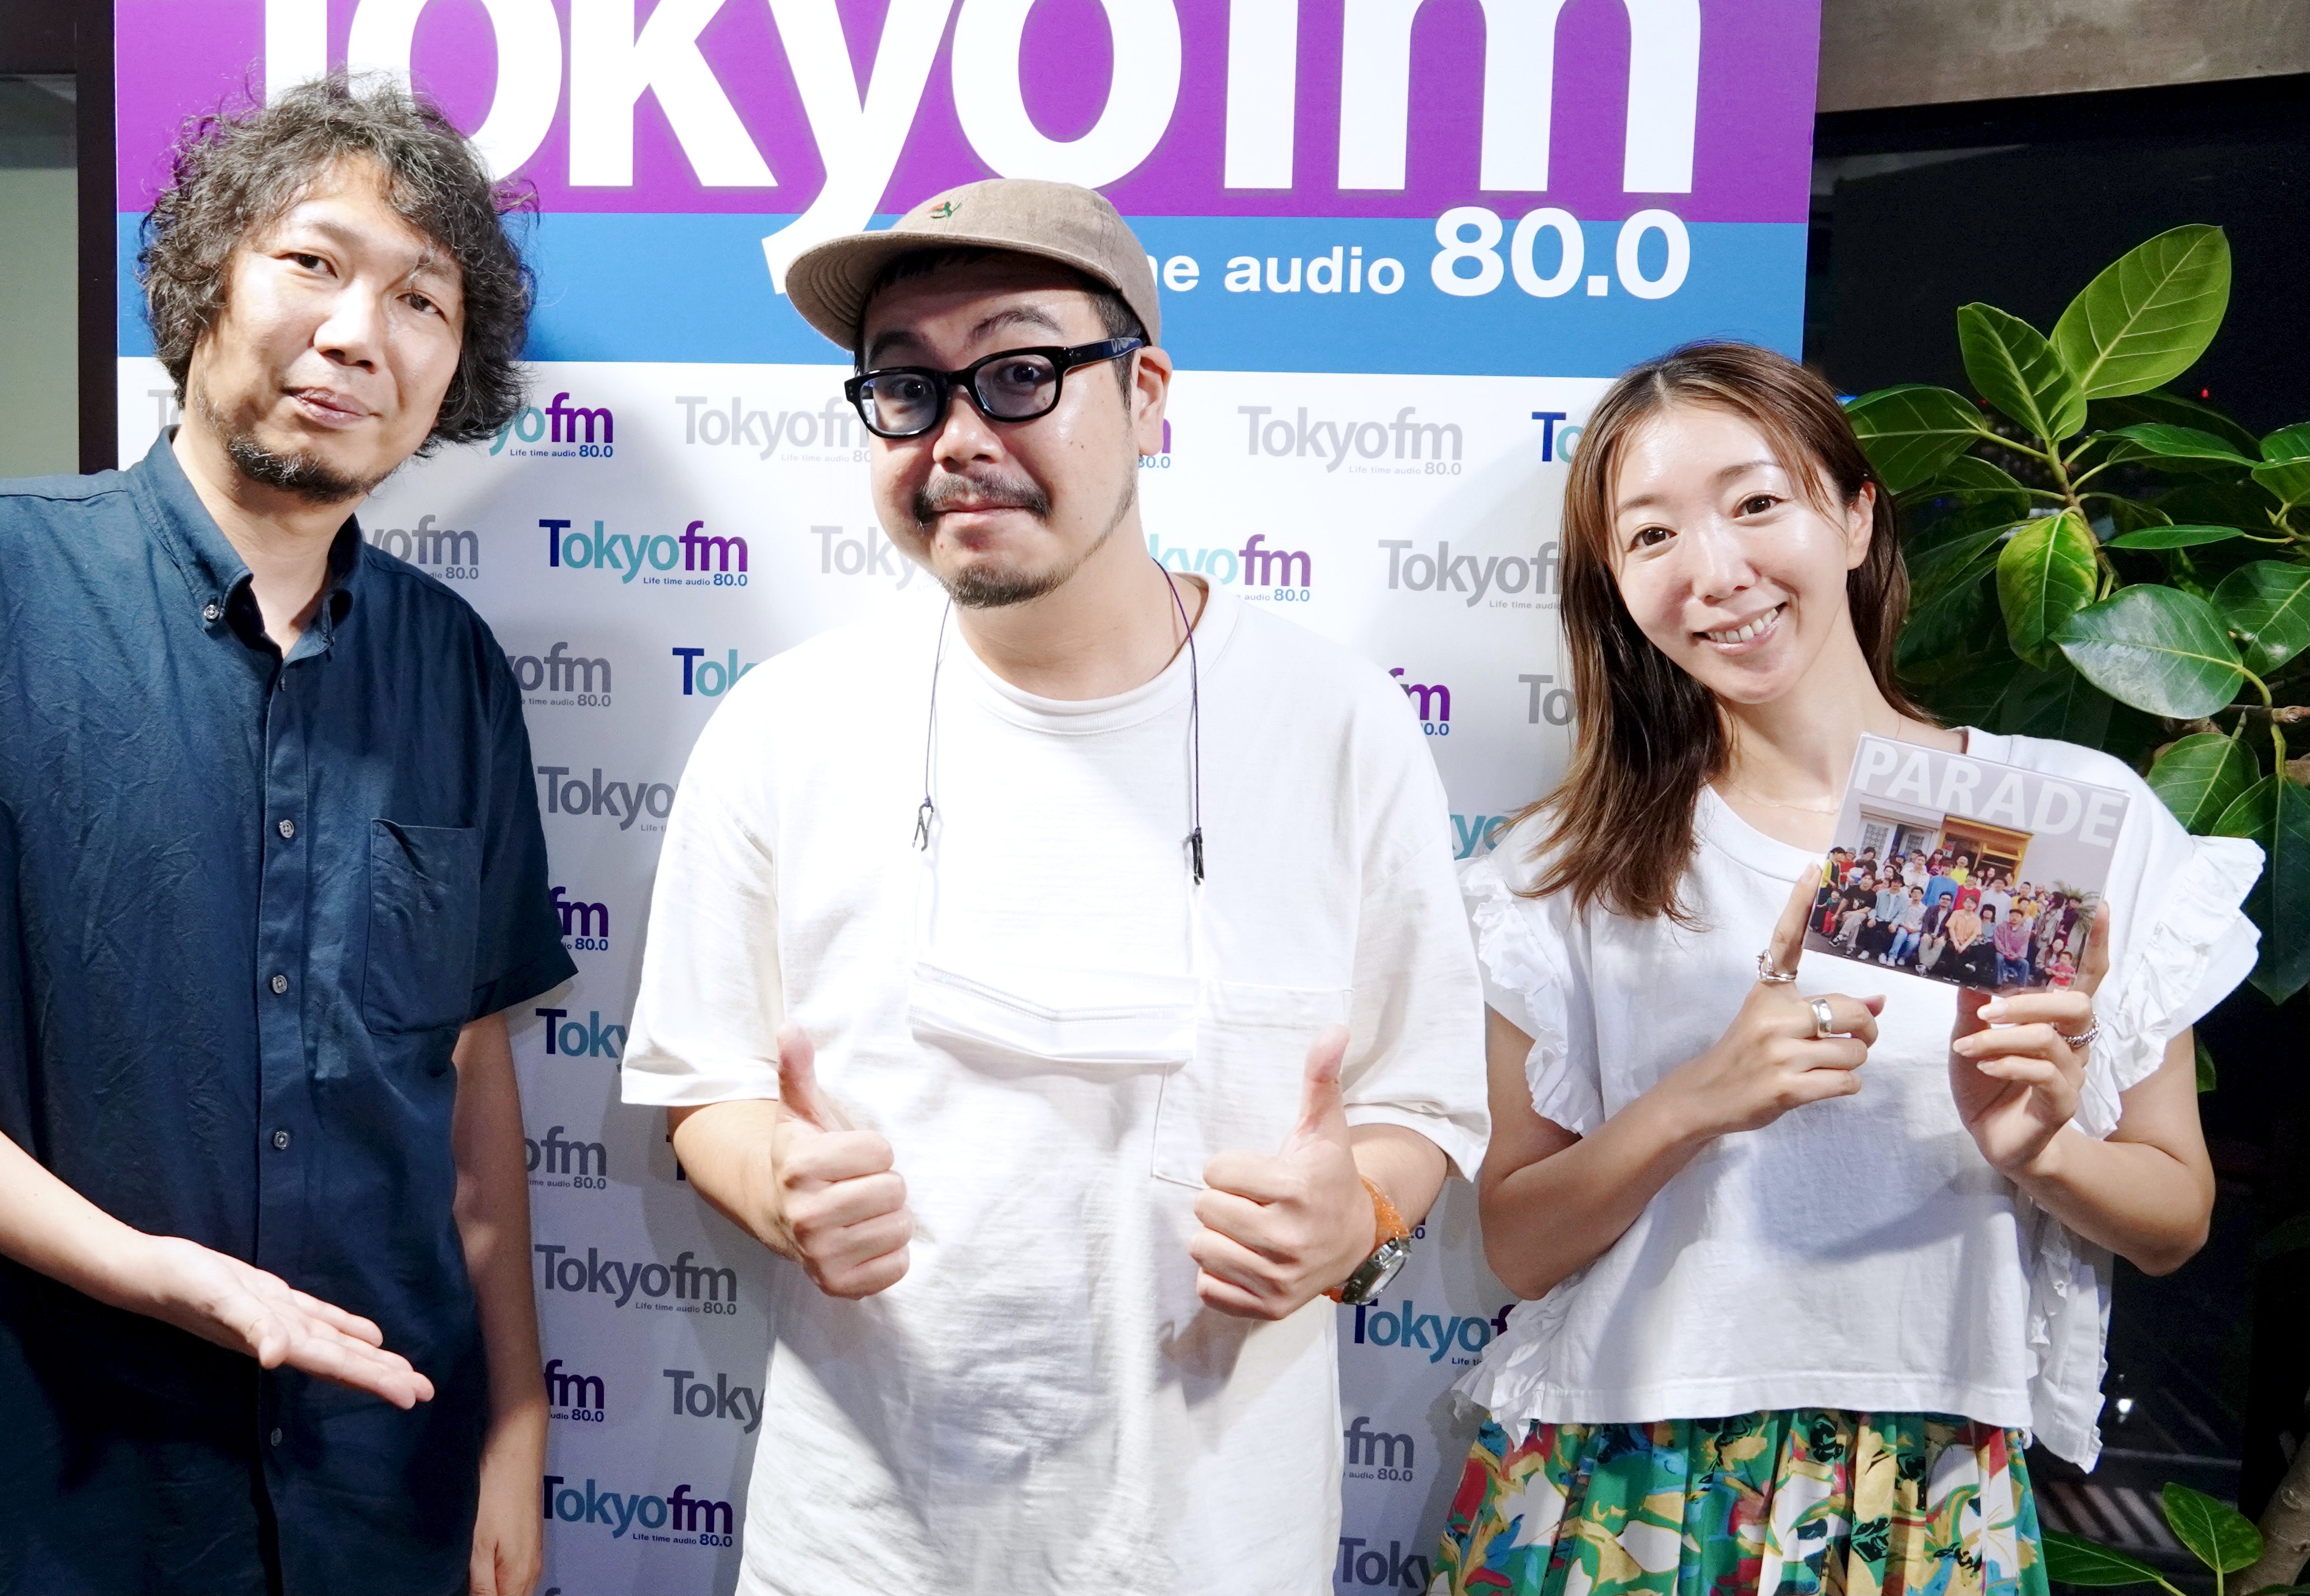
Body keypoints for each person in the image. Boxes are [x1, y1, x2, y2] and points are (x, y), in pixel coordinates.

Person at [0, 77, 569, 1596]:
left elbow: (465, 1066)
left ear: (455, 372)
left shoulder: (452, 668)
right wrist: (142, 1269)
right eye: (315, 261)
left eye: (421, 299)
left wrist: (513, 1418)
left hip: (358, 1514)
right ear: (204, 281)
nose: (358, 332)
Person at [619, 179, 1488, 1596]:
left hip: (1213, 1549)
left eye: (1021, 372)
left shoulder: (1336, 721)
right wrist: (774, 1180)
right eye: (906, 387)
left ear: (1147, 398)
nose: (960, 438)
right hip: (860, 1546)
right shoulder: (784, 725)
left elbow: (1422, 1100)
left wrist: (1359, 1220)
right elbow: (702, 1085)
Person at [1430, 343, 2258, 1596]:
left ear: (1858, 514)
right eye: (1652, 535)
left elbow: (2174, 1217)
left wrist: (2040, 1146)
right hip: (1622, 1489)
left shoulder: (2055, 814)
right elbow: (1516, 1246)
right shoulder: (1564, 866)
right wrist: (1699, 1098)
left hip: (1931, 1495)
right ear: (1616, 584)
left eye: (1758, 502)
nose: (1717, 571)